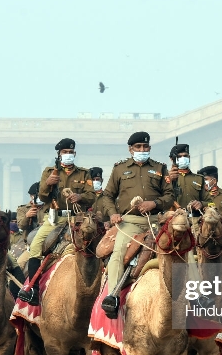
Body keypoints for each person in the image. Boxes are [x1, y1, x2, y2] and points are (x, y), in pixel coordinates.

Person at [100, 131, 174, 314]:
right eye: (138, 147)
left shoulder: (160, 168)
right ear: (130, 149)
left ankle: (190, 297)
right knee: (118, 252)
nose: (142, 150)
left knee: (180, 251)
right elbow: (108, 195)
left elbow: (170, 196)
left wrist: (154, 203)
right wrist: (112, 214)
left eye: (145, 147)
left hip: (157, 221)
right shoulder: (119, 168)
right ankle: (113, 297)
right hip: (130, 221)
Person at [18, 138, 97, 305]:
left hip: (77, 217)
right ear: (59, 155)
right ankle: (34, 290)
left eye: (70, 152)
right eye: (64, 152)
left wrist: (80, 196)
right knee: (36, 245)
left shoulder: (84, 173)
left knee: (93, 244)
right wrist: (47, 184)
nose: (68, 155)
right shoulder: (49, 172)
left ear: (74, 154)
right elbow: (41, 196)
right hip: (54, 218)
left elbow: (92, 196)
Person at [168, 143, 207, 213]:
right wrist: (168, 181)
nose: (183, 158)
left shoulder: (199, 179)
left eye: (185, 156)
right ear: (172, 159)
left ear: (189, 157)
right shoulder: (163, 179)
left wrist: (201, 204)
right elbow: (157, 199)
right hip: (173, 219)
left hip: (195, 219)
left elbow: (211, 202)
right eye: (179, 156)